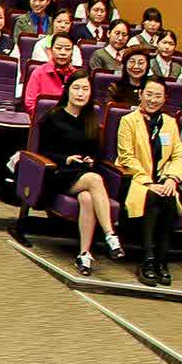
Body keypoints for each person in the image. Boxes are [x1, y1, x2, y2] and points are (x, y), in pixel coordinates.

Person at [27, 71, 125, 275]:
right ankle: (110, 234)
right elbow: (43, 151)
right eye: (76, 88)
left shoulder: (91, 119)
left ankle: (84, 255)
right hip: (58, 174)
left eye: (85, 89)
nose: (80, 93)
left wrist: (91, 159)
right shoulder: (53, 117)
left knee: (87, 198)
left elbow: (96, 153)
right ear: (67, 91)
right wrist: (67, 159)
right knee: (95, 179)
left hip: (81, 174)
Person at [118, 75, 182, 287]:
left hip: (163, 180)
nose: (152, 100)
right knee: (152, 195)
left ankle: (162, 260)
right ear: (140, 94)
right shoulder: (128, 121)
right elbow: (126, 157)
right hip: (135, 180)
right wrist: (149, 182)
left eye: (158, 96)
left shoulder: (170, 123)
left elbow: (179, 156)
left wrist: (171, 179)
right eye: (148, 94)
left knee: (168, 196)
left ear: (165, 98)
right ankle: (147, 259)